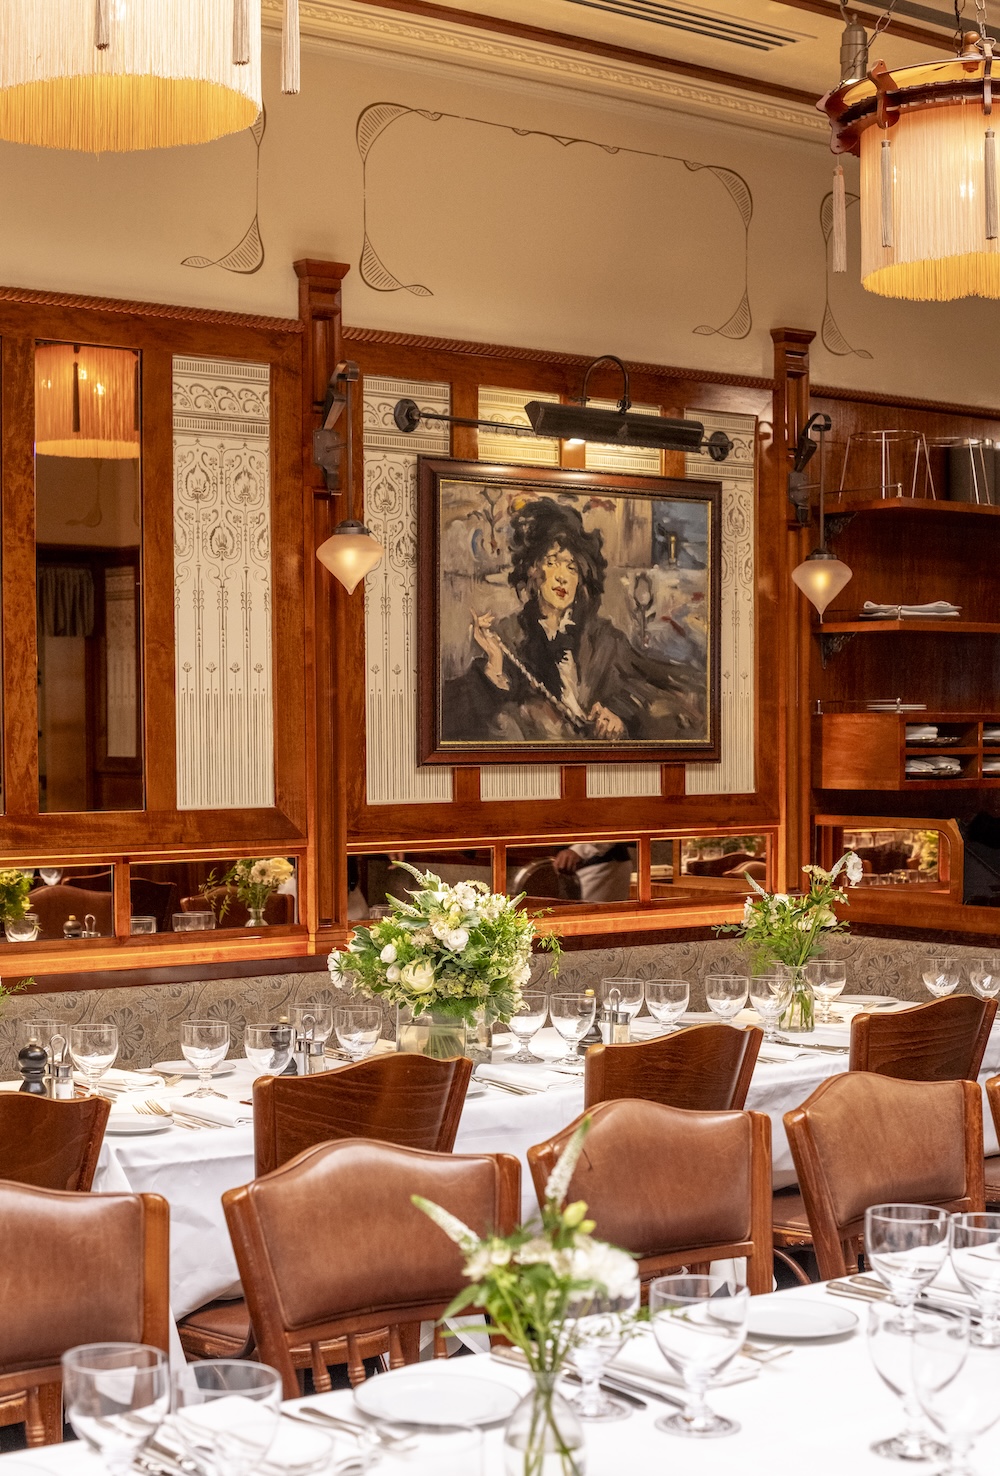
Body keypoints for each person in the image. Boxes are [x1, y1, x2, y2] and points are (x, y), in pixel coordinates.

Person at [442, 498, 702, 744]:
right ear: (533, 568)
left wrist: (619, 717)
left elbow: (654, 694)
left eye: (571, 567)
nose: (562, 577)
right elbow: (459, 723)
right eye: (552, 562)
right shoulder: (508, 637)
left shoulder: (605, 640)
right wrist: (494, 671)